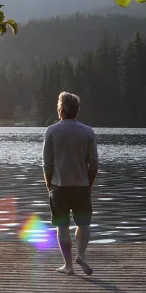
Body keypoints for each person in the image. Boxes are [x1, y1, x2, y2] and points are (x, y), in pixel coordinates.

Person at [42, 92, 98, 275]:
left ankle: (68, 266)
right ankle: (81, 254)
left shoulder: (51, 131)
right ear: (77, 111)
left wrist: (49, 184)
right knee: (84, 224)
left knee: (62, 226)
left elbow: (47, 164)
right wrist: (88, 185)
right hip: (81, 186)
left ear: (61, 110)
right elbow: (94, 164)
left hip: (59, 187)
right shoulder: (88, 132)